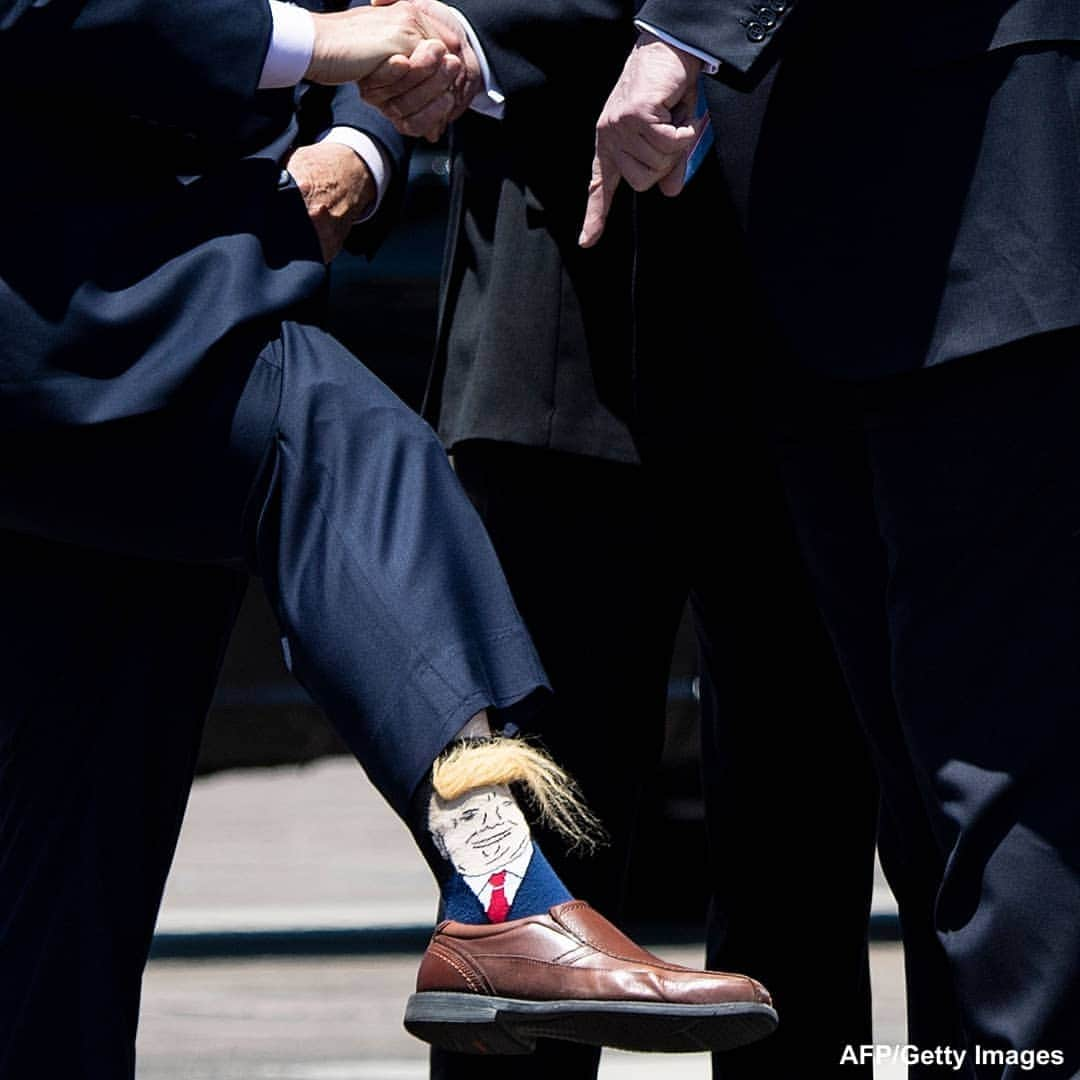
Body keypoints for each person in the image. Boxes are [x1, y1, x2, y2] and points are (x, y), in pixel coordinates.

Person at [0, 2, 776, 1077]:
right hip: (60, 305)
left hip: (170, 307)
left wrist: (361, 145)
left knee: (60, 894)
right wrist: (321, 44)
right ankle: (503, 890)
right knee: (335, 434)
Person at [361, 4, 883, 1078]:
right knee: (536, 859)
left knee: (800, 839)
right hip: (556, 311)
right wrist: (379, 85)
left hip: (769, 279)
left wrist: (458, 34)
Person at [576, 2, 1080, 1076]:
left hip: (968, 202)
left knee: (992, 771)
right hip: (823, 258)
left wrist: (681, 34)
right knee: (924, 791)